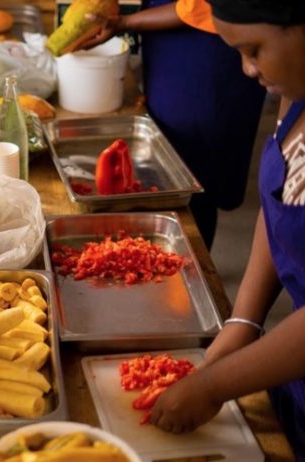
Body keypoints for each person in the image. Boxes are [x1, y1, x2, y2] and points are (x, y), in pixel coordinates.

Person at [146, 2, 305, 459]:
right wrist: (243, 321)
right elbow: (277, 212)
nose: (247, 69)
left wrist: (216, 385)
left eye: (254, 49)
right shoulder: (295, 92)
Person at [82, 0, 266, 248]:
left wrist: (127, 22)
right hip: (167, 34)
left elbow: (199, 6)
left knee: (193, 176)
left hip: (205, 48)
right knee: (164, 156)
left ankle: (192, 266)